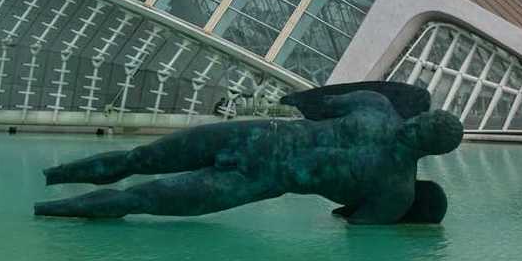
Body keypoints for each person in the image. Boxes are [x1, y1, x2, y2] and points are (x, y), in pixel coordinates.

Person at [36, 82, 463, 224]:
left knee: (142, 186)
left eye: (425, 131)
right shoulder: (379, 121)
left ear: (428, 143)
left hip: (259, 164)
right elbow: (357, 223)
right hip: (259, 154)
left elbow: (317, 103)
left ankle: (49, 200)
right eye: (422, 122)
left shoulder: (394, 182)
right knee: (139, 172)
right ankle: (52, 185)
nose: (416, 127)